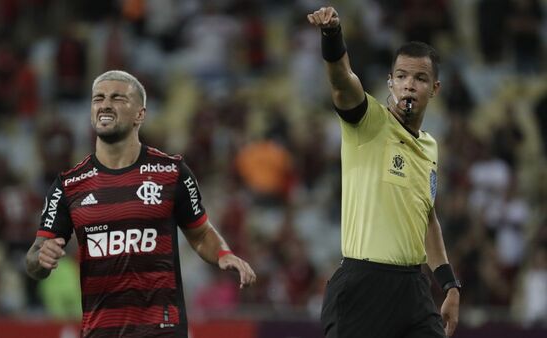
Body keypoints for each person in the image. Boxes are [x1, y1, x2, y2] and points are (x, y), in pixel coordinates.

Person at [25, 70, 256, 338]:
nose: (105, 104)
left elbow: (201, 233)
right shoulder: (68, 185)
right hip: (101, 332)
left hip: (162, 331)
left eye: (118, 98)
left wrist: (223, 254)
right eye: (98, 98)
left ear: (140, 114)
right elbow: (35, 257)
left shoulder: (172, 172)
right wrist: (41, 260)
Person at [307, 7, 460, 338]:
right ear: (390, 82)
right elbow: (341, 80)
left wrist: (449, 284)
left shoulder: (430, 147)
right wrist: (332, 35)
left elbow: (427, 218)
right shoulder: (369, 122)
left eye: (419, 78)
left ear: (434, 89)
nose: (409, 85)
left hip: (414, 290)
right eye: (402, 76)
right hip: (364, 287)